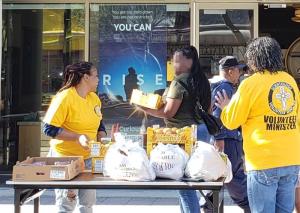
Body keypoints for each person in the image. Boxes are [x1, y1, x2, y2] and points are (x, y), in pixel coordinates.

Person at [215, 37, 300, 213]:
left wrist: (225, 107)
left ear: (254, 58)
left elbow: (231, 121)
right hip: (291, 158)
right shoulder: (290, 81)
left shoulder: (250, 84)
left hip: (263, 160)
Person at [139, 46, 211, 213]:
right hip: (201, 131)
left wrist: (144, 108)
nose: (174, 65)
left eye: (177, 61)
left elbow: (168, 112)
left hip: (182, 135)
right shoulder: (202, 80)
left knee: (183, 184)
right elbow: (207, 110)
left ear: (190, 61)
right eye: (172, 61)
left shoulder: (179, 82)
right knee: (191, 179)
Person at [43, 61, 104, 213]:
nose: (98, 80)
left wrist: (103, 139)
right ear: (85, 77)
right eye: (96, 76)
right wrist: (77, 137)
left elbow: (100, 123)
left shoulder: (94, 98)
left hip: (89, 158)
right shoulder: (64, 97)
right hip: (65, 159)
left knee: (88, 203)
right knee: (66, 204)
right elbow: (49, 128)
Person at [206, 56, 250, 212]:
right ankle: (249, 206)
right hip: (228, 141)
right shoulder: (225, 88)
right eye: (238, 70)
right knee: (235, 178)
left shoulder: (218, 85)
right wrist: (219, 138)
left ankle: (209, 206)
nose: (239, 73)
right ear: (230, 71)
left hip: (226, 139)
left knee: (220, 176)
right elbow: (218, 116)